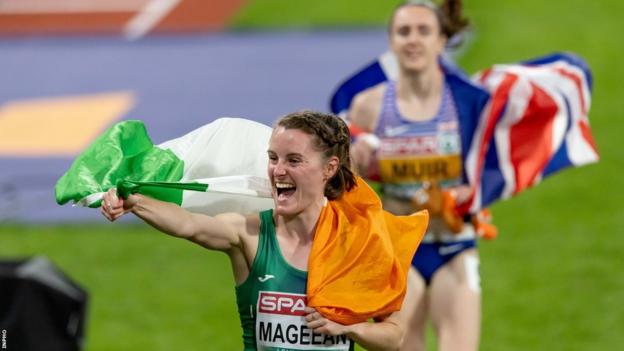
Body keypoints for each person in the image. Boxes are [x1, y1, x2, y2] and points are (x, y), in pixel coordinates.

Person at [101, 111, 409, 351]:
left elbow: (393, 337)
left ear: (329, 168)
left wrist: (348, 328)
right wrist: (133, 201)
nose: (278, 171)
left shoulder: (359, 241)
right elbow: (188, 224)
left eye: (294, 160)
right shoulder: (249, 233)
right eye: (273, 158)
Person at [347, 1, 487, 350]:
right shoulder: (369, 105)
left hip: (455, 246)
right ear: (391, 41)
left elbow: (489, 165)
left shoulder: (467, 101)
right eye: (403, 31)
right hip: (397, 249)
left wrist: (472, 196)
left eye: (423, 31)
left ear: (441, 40)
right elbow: (346, 188)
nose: (413, 40)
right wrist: (355, 162)